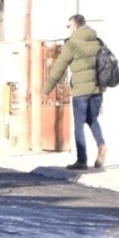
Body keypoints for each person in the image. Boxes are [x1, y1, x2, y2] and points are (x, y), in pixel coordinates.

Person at [43, 14, 107, 170]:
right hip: (97, 90)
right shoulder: (98, 42)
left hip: (81, 91)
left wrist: (47, 89)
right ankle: (101, 145)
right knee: (92, 119)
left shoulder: (72, 44)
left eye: (69, 26)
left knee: (79, 125)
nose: (68, 29)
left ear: (76, 26)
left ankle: (81, 160)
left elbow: (59, 66)